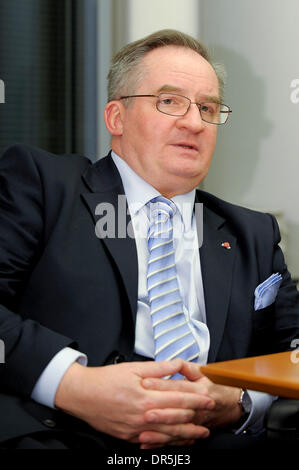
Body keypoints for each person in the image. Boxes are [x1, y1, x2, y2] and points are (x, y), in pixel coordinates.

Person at [0, 29, 298, 451]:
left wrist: (240, 401)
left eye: (208, 108)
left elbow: (292, 356)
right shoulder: (44, 188)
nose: (194, 122)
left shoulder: (252, 232)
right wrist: (73, 384)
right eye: (169, 101)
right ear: (116, 118)